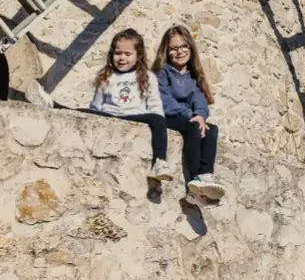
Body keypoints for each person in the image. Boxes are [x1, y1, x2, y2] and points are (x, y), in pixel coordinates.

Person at [79, 28, 174, 184]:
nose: (122, 58)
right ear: (112, 54)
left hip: (135, 115)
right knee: (81, 112)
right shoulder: (106, 76)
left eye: (128, 54)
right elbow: (95, 107)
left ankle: (160, 162)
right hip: (110, 114)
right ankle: (52, 104)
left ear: (138, 56)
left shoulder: (147, 76)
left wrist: (159, 121)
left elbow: (155, 104)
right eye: (118, 53)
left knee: (157, 119)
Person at [153, 23, 226, 205]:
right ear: (166, 51)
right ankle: (193, 183)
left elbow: (200, 101)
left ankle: (206, 175)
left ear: (190, 48)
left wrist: (201, 116)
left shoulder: (193, 77)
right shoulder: (163, 73)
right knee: (194, 128)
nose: (179, 51)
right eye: (173, 48)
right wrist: (189, 114)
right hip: (168, 116)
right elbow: (164, 100)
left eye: (184, 46)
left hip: (188, 118)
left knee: (211, 130)